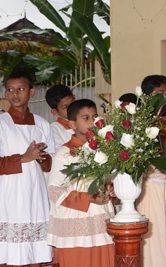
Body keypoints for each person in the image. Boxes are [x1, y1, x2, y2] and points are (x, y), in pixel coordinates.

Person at [0, 71, 54, 266]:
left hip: (34, 196)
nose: (15, 93)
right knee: (6, 256)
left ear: (31, 92)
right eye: (10, 90)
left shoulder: (42, 124)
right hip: (7, 197)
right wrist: (22, 158)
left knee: (33, 254)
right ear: (5, 94)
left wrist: (40, 158)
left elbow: (51, 165)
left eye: (21, 89)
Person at [46, 99, 115, 267]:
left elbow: (106, 180)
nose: (92, 122)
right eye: (85, 118)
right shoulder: (65, 153)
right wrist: (90, 198)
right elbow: (54, 191)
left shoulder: (102, 149)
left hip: (100, 219)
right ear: (72, 124)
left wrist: (111, 190)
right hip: (77, 225)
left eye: (95, 117)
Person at [136, 74, 166, 267]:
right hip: (151, 189)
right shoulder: (138, 122)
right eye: (160, 94)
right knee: (154, 246)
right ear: (146, 96)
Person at [45, 84, 75, 153]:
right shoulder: (53, 131)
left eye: (73, 102)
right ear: (55, 112)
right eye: (65, 107)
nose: (72, 107)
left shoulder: (88, 120)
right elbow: (60, 156)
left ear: (74, 97)